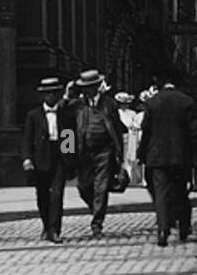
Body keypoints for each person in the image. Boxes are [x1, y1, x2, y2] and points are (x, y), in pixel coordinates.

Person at [64, 69, 127, 238]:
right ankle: (96, 209)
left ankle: (97, 223)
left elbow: (117, 129)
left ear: (98, 86)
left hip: (104, 151)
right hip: (83, 152)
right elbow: (63, 118)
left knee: (101, 187)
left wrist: (120, 155)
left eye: (91, 87)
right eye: (85, 87)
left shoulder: (109, 104)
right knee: (83, 187)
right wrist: (67, 95)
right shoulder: (77, 104)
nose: (88, 90)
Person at [140, 77, 197, 246]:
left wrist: (142, 154)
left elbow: (146, 131)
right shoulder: (186, 101)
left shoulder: (152, 103)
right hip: (180, 156)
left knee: (162, 193)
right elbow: (193, 132)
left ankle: (163, 229)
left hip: (157, 156)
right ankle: (183, 227)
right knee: (180, 191)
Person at [20, 76, 73, 243]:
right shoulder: (33, 115)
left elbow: (68, 137)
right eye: (47, 94)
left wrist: (69, 159)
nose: (51, 97)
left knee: (57, 194)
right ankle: (45, 225)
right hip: (41, 157)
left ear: (58, 95)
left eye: (54, 93)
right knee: (42, 195)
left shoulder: (65, 114)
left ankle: (54, 230)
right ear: (43, 96)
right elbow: (27, 138)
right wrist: (27, 159)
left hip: (59, 156)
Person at [116, 91, 143, 188]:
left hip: (131, 136)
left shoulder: (132, 113)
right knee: (121, 156)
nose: (125, 105)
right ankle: (122, 177)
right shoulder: (117, 112)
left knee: (131, 157)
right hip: (120, 135)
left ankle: (132, 177)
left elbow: (135, 124)